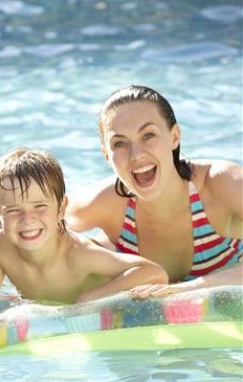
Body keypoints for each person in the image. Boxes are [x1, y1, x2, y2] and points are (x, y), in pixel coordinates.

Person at [66, 85, 242, 298]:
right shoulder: (104, 203)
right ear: (106, 154)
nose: (136, 154)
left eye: (148, 135)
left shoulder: (221, 184)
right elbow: (34, 228)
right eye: (119, 143)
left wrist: (181, 291)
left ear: (175, 136)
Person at [0, 148, 167, 306]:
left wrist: (90, 299)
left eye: (40, 206)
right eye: (13, 210)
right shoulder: (1, 247)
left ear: (61, 209)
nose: (28, 219)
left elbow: (154, 273)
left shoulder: (79, 255)